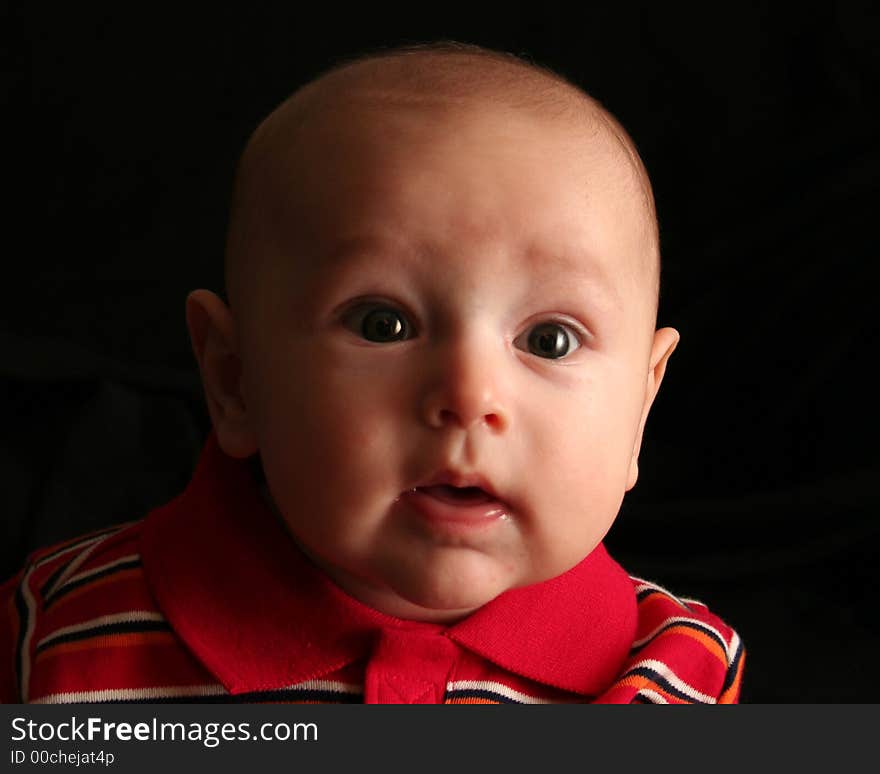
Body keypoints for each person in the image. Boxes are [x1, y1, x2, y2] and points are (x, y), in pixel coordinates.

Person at [0, 42, 744, 704]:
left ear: (642, 407)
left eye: (549, 340)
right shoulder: (64, 628)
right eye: (382, 324)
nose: (469, 396)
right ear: (234, 380)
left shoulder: (681, 671)